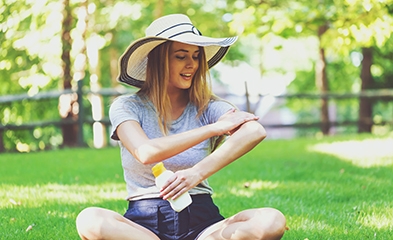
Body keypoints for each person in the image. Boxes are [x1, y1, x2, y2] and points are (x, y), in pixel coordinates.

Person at [76, 14, 287, 240]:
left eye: (196, 56)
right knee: (89, 219)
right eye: (180, 56)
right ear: (158, 60)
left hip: (203, 223)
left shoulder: (209, 107)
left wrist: (195, 174)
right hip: (143, 227)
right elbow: (145, 152)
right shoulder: (127, 106)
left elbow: (255, 131)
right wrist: (213, 129)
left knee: (271, 220)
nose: (192, 64)